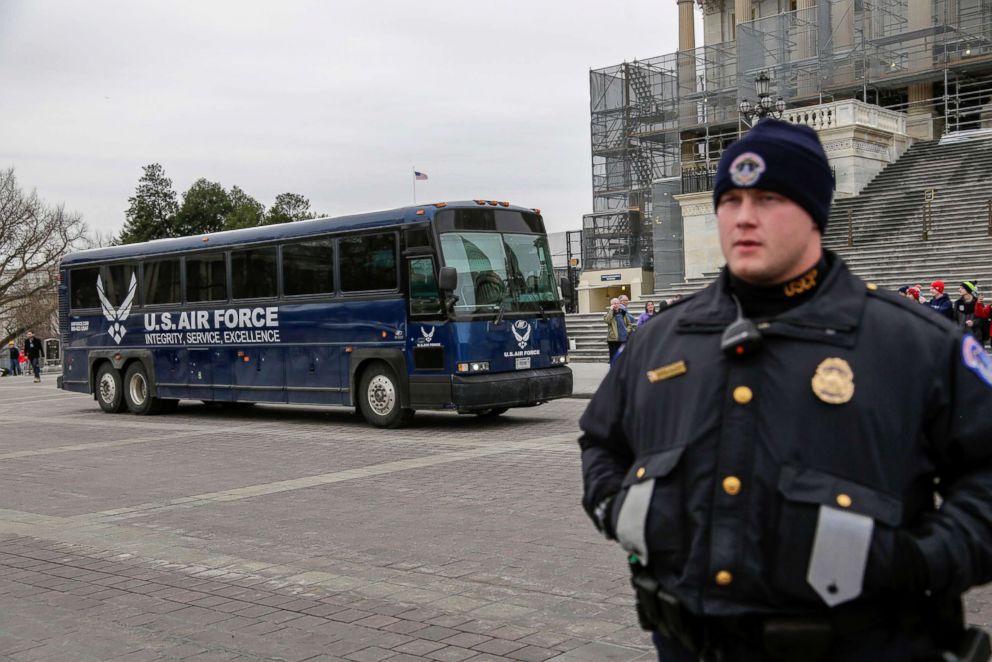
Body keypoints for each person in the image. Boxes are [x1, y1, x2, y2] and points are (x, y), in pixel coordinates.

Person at [579, 119, 992, 661]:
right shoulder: (660, 339)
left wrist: (921, 560)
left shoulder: (915, 344)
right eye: (731, 199)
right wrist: (621, 511)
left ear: (815, 211)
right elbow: (601, 442)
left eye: (770, 198)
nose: (744, 217)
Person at [603, 297, 635, 364]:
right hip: (613, 340)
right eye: (614, 303)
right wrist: (611, 310)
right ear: (611, 305)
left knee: (624, 358)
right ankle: (613, 372)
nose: (616, 305)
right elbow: (607, 320)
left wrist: (627, 330)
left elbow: (629, 324)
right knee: (613, 358)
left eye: (617, 303)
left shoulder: (623, 313)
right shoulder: (609, 313)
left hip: (623, 338)